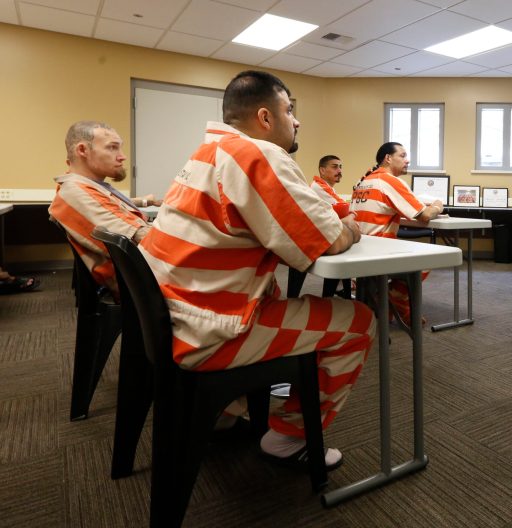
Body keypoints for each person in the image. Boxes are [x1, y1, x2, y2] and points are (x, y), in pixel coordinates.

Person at [139, 70, 376, 469]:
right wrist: (352, 227)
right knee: (358, 322)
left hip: (174, 314)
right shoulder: (256, 154)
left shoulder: (207, 153)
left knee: (277, 294)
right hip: (210, 329)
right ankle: (288, 437)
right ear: (266, 118)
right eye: (290, 110)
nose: (296, 121)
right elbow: (326, 238)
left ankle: (224, 410)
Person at [49, 121, 162, 297]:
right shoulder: (76, 193)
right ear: (82, 150)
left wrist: (146, 201)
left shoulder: (83, 186)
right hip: (140, 284)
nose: (122, 156)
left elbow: (106, 202)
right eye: (112, 148)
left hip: (141, 273)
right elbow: (149, 241)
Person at [350, 142, 443, 325]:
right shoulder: (389, 181)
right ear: (388, 158)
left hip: (357, 249)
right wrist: (438, 205)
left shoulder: (363, 181)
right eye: (402, 155)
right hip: (377, 252)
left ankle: (380, 295)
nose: (407, 160)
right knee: (428, 259)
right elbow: (424, 216)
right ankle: (394, 299)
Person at [287, 155, 352, 299]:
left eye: (340, 167)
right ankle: (330, 298)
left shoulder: (326, 187)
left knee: (342, 246)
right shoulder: (319, 187)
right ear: (322, 170)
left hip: (313, 236)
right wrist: (351, 215)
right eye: (335, 167)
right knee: (341, 251)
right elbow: (343, 212)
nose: (339, 170)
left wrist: (349, 215)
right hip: (310, 240)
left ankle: (338, 295)